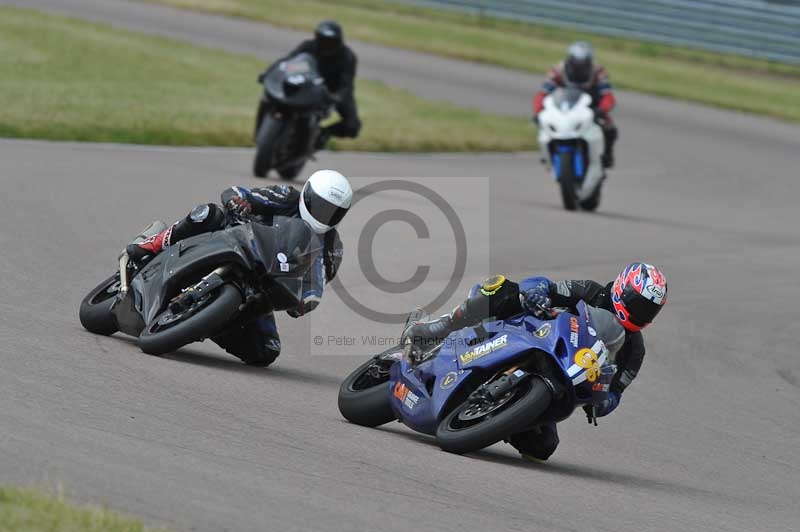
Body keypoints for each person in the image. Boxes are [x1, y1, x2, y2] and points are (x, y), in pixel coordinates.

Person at [403, 263, 668, 460]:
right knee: (500, 289)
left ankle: (497, 418)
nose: (641, 311)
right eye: (638, 303)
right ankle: (436, 329)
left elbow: (616, 394)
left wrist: (601, 399)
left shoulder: (634, 351)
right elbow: (541, 283)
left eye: (649, 309)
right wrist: (536, 294)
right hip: (529, 333)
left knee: (543, 449)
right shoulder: (590, 292)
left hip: (560, 380)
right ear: (623, 287)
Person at [126, 170, 353, 366]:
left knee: (267, 351)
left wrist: (306, 301)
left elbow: (318, 282)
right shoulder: (286, 196)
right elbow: (238, 192)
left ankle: (209, 322)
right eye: (321, 206)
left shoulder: (332, 247)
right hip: (236, 239)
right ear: (308, 195)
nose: (324, 214)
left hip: (264, 283)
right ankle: (151, 244)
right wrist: (237, 201)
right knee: (209, 213)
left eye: (332, 211)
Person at [255, 20, 361, 149]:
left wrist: (337, 97)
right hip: (307, 84)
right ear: (317, 38)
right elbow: (287, 61)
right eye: (323, 41)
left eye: (331, 42)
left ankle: (323, 133)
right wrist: (268, 73)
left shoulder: (347, 57)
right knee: (268, 98)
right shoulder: (308, 46)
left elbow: (346, 83)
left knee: (352, 126)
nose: (327, 46)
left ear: (339, 41)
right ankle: (262, 132)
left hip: (333, 90)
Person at [533, 41, 618, 168]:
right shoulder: (557, 70)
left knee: (610, 128)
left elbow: (608, 95)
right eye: (575, 64)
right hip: (564, 105)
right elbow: (543, 93)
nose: (578, 68)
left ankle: (607, 154)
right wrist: (539, 110)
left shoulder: (598, 71)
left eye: (582, 65)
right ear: (569, 60)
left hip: (591, 106)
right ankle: (547, 154)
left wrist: (601, 109)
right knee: (543, 123)